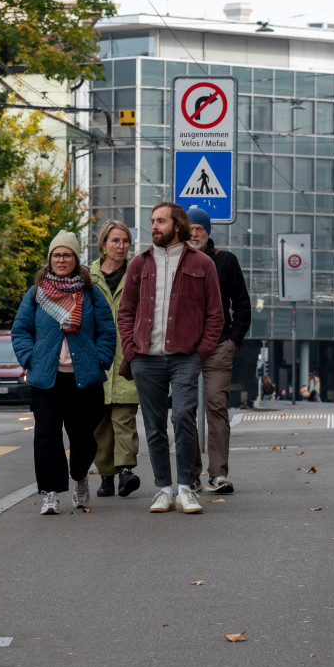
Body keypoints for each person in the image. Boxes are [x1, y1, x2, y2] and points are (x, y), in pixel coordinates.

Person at [117, 202, 223, 515]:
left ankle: (186, 488)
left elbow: (216, 314)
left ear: (177, 225)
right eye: (152, 221)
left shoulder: (203, 263)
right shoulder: (139, 264)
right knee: (154, 426)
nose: (154, 226)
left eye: (161, 221)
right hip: (145, 358)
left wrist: (200, 351)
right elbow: (126, 311)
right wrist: (132, 350)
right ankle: (164, 489)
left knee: (184, 418)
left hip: (185, 357)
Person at [12, 230, 116, 516]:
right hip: (47, 379)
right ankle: (50, 492)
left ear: (75, 259)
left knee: (83, 437)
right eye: (56, 255)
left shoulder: (90, 293)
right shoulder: (36, 294)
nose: (61, 259)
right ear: (49, 259)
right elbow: (20, 330)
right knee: (47, 435)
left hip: (84, 379)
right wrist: (30, 358)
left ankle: (80, 477)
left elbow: (107, 330)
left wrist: (100, 359)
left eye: (67, 254)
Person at [186, 206, 250, 495]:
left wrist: (233, 339)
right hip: (184, 348)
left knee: (216, 407)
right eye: (189, 228)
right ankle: (190, 475)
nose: (194, 233)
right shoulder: (175, 261)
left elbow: (243, 304)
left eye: (199, 228)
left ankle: (218, 475)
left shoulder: (226, 260)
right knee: (184, 411)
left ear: (208, 231)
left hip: (219, 345)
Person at [90, 220, 142, 498]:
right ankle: (106, 476)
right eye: (115, 241)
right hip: (96, 359)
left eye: (125, 241)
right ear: (103, 244)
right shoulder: (87, 277)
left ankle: (126, 472)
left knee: (124, 420)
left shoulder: (137, 274)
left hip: (128, 357)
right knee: (100, 426)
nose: (121, 246)